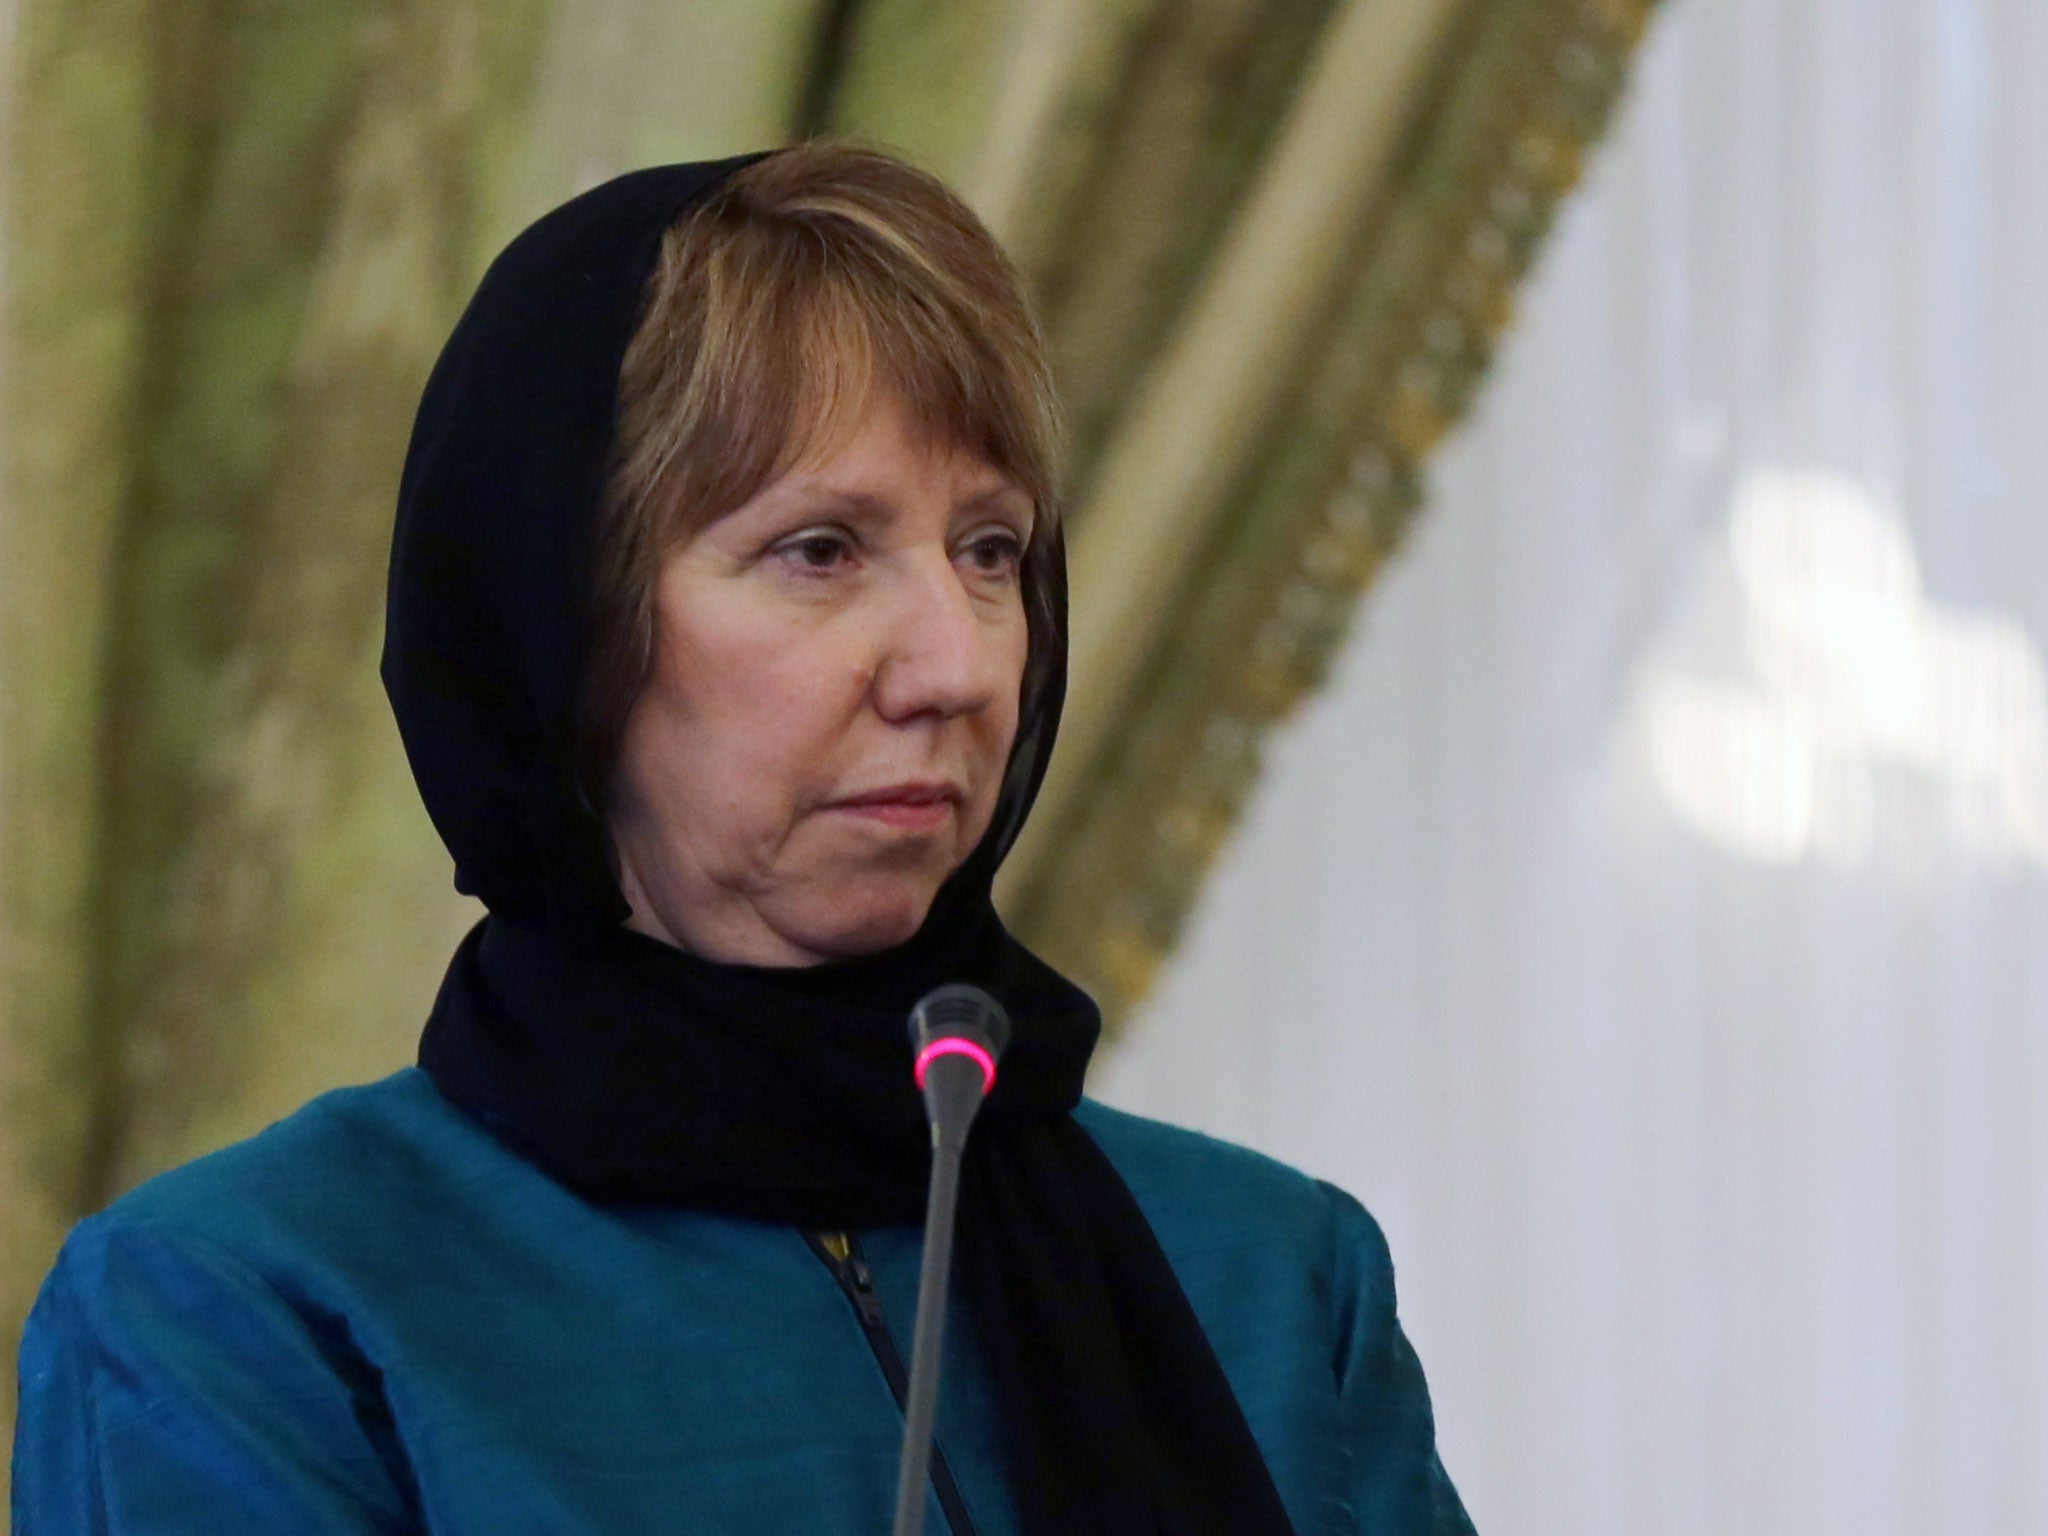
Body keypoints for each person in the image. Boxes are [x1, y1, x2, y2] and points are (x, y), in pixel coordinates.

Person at [11, 143, 1474, 1536]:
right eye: (820, 551)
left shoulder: (1277, 1277)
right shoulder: (248, 1310)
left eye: (991, 551)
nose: (955, 668)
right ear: (562, 631)